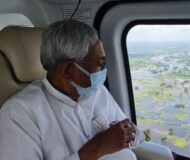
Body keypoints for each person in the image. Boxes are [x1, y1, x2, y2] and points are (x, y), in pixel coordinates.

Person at [0, 19, 144, 160]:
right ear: (68, 69)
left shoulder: (98, 92)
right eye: (100, 64)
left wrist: (129, 134)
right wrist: (97, 148)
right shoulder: (18, 114)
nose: (104, 69)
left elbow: (132, 134)